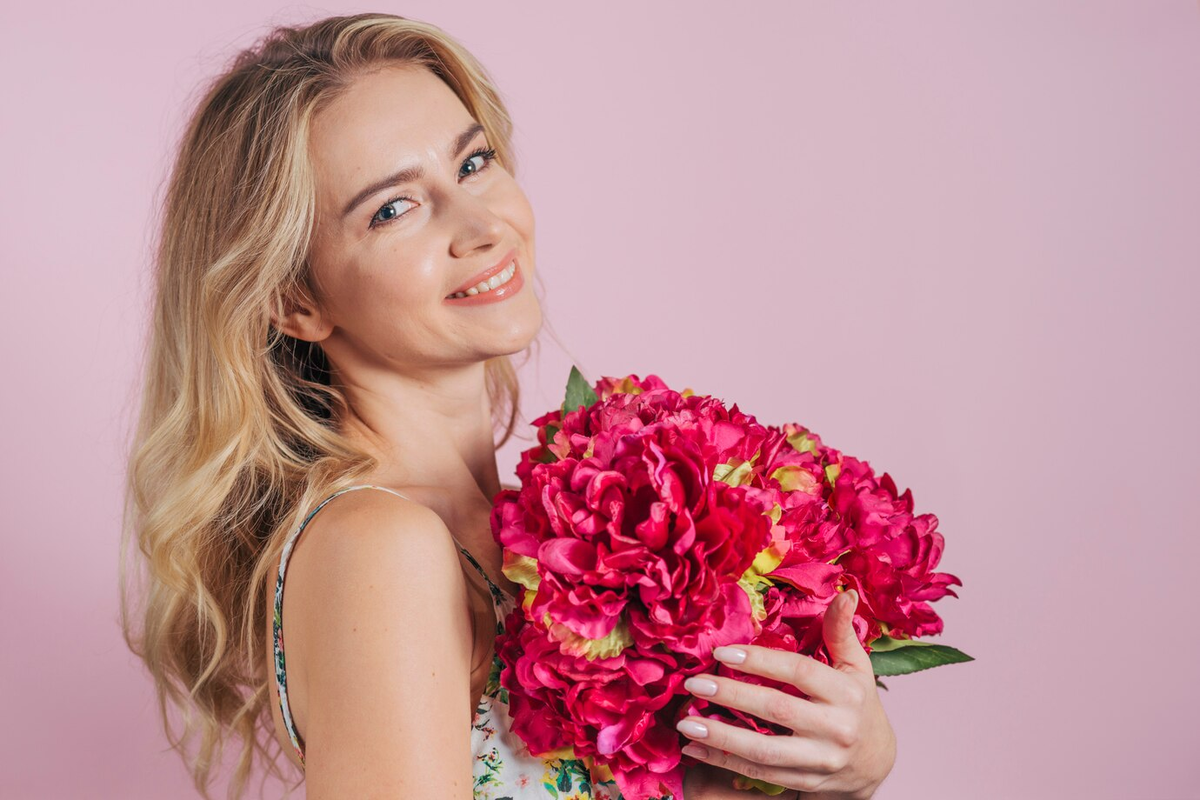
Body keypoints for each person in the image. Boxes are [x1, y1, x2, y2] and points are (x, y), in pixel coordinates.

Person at [119, 13, 896, 800]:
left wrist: (845, 767)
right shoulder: (380, 548)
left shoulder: (549, 530)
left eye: (474, 162)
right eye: (393, 209)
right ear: (296, 301)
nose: (482, 227)